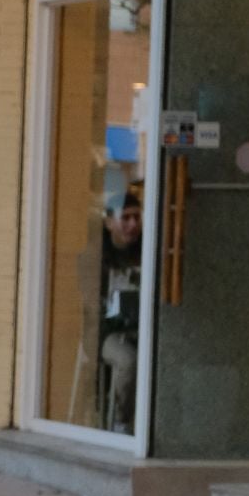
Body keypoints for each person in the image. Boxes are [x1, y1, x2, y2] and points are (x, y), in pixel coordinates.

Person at [98, 185, 142, 433]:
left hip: (142, 330)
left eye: (136, 217)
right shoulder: (96, 255)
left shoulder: (148, 250)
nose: (133, 224)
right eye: (125, 218)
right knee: (128, 360)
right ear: (109, 222)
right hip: (108, 333)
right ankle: (120, 422)